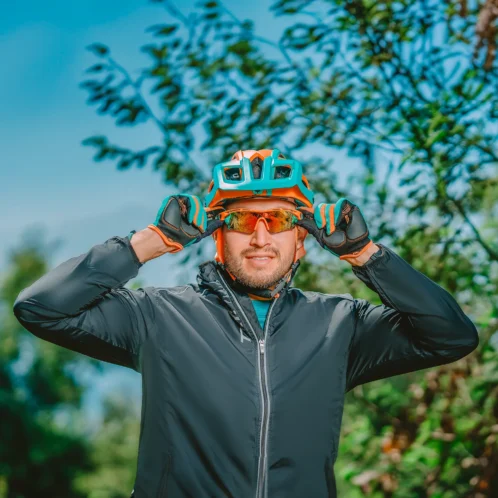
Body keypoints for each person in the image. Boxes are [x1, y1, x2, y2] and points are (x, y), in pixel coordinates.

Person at [13, 149, 478, 498]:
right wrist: (150, 241)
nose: (259, 236)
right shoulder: (157, 316)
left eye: (277, 219)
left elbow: (451, 335)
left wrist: (366, 256)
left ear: (301, 240)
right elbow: (41, 307)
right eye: (240, 220)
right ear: (217, 237)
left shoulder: (340, 325)